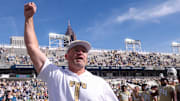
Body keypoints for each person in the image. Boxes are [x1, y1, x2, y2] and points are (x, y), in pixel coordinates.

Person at [24, 2, 118, 101]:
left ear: (86, 57)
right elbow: (32, 47)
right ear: (66, 56)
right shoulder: (55, 74)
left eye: (83, 51)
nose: (80, 52)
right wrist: (28, 19)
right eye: (76, 50)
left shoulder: (99, 83)